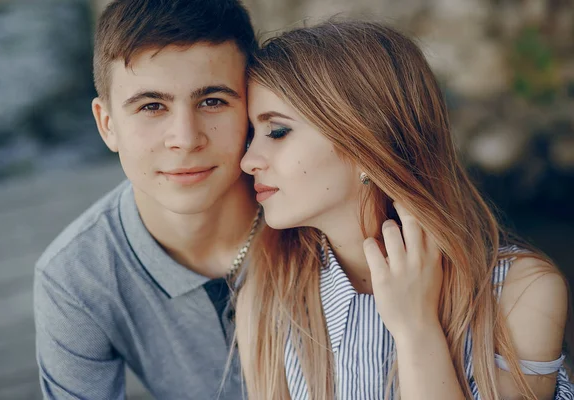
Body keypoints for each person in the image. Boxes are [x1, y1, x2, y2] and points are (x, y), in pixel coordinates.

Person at [236, 20, 573, 399]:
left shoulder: (520, 292)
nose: (249, 160)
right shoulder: (268, 295)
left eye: (277, 132)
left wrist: (416, 327)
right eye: (251, 136)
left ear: (366, 141)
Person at [33, 0, 258, 398]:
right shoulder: (75, 277)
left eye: (212, 101)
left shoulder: (314, 218)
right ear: (107, 125)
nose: (186, 139)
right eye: (152, 106)